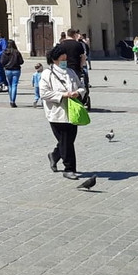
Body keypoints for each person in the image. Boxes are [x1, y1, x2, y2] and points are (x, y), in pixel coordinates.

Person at [43, 46, 85, 180]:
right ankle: (69, 168)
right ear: (55, 59)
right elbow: (44, 93)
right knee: (67, 142)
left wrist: (78, 92)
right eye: (62, 58)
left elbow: (81, 86)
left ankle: (54, 155)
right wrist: (63, 95)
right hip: (57, 113)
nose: (65, 61)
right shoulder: (47, 74)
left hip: (73, 112)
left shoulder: (70, 72)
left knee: (67, 140)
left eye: (66, 58)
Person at [2, 43, 24, 108]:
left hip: (8, 70)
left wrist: (6, 65)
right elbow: (21, 61)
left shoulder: (5, 52)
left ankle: (11, 99)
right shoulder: (17, 52)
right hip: (16, 70)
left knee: (10, 85)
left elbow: (2, 61)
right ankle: (13, 101)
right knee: (14, 85)